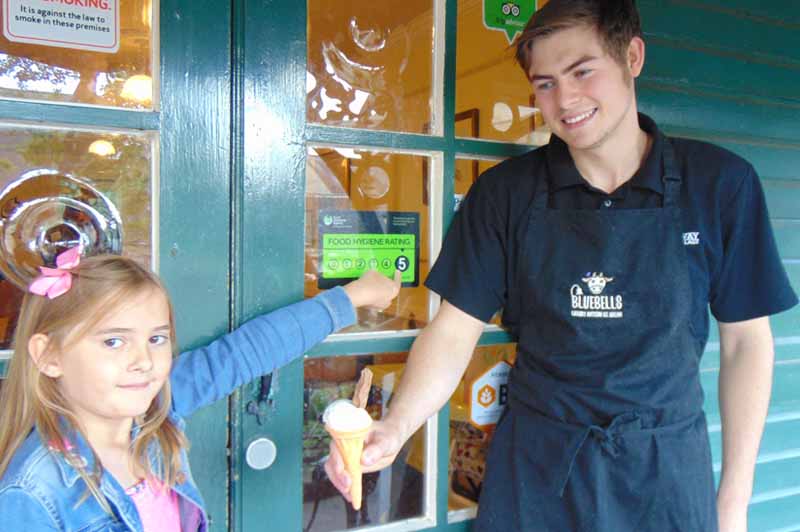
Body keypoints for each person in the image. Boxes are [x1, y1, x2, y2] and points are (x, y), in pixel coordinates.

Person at [325, 1, 799, 530]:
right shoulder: (505, 195)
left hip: (666, 473)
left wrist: (733, 502)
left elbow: (746, 343)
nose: (565, 99)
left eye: (582, 71)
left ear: (633, 56)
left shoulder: (720, 185)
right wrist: (395, 427)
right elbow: (454, 332)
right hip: (538, 473)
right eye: (545, 83)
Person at [0, 247, 400, 531]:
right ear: (49, 355)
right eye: (113, 341)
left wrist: (355, 296)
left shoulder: (157, 412)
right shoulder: (31, 494)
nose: (142, 360)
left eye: (156, 339)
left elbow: (246, 351)